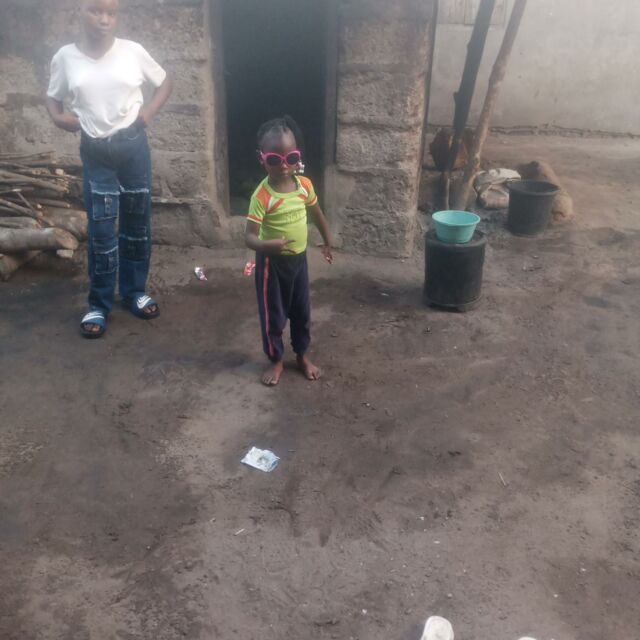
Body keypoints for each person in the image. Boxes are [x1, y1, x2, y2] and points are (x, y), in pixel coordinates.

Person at [45, 0, 172, 338]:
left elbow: (164, 83)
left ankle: (134, 291)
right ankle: (99, 304)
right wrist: (59, 119)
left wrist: (147, 114)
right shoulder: (66, 58)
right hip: (96, 153)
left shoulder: (132, 51)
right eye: (95, 10)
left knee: (137, 224)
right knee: (101, 230)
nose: (104, 19)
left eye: (111, 13)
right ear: (80, 11)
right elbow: (53, 98)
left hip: (133, 148)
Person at [245, 116, 333, 386]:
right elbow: (249, 237)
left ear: (298, 157)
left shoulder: (304, 186)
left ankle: (302, 355)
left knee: (301, 311)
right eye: (275, 160)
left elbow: (317, 213)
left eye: (291, 158)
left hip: (299, 261)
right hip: (271, 265)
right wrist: (268, 245)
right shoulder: (262, 196)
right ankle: (276, 359)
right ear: (262, 159)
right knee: (273, 314)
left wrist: (328, 240)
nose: (284, 166)